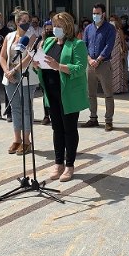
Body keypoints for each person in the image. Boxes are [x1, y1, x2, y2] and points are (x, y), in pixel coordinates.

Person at [33, 12, 89, 182]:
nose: (56, 29)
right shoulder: (49, 42)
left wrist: (59, 66)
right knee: (57, 129)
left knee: (69, 130)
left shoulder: (77, 44)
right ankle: (58, 163)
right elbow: (43, 65)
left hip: (68, 95)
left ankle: (70, 165)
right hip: (51, 93)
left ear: (68, 27)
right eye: (54, 25)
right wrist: (37, 66)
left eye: (59, 26)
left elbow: (80, 68)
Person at [0, 9, 39, 155]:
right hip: (10, 77)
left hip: (26, 77)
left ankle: (27, 141)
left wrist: (14, 69)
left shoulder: (32, 36)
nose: (27, 23)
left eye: (28, 21)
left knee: (26, 109)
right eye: (23, 21)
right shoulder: (9, 36)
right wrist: (6, 71)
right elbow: (3, 56)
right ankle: (17, 140)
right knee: (15, 108)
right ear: (17, 22)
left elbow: (28, 56)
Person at [82, 3, 116, 131]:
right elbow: (84, 45)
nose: (95, 15)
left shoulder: (110, 28)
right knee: (91, 93)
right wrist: (89, 59)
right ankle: (93, 118)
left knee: (108, 94)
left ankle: (108, 120)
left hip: (104, 64)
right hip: (90, 65)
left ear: (103, 14)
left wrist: (99, 59)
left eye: (97, 13)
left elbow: (109, 45)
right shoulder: (88, 28)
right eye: (94, 13)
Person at [109, 14, 128, 94]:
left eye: (113, 20)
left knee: (118, 69)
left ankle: (118, 88)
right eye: (110, 20)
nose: (111, 22)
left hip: (117, 52)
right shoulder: (108, 30)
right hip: (110, 52)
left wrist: (123, 51)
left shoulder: (119, 30)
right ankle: (112, 88)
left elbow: (123, 42)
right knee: (110, 70)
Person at [40, 20, 54, 125]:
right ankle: (46, 115)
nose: (49, 31)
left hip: (54, 70)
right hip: (44, 71)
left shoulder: (56, 40)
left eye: (51, 29)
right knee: (45, 94)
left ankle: (54, 115)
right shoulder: (42, 41)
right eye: (47, 29)